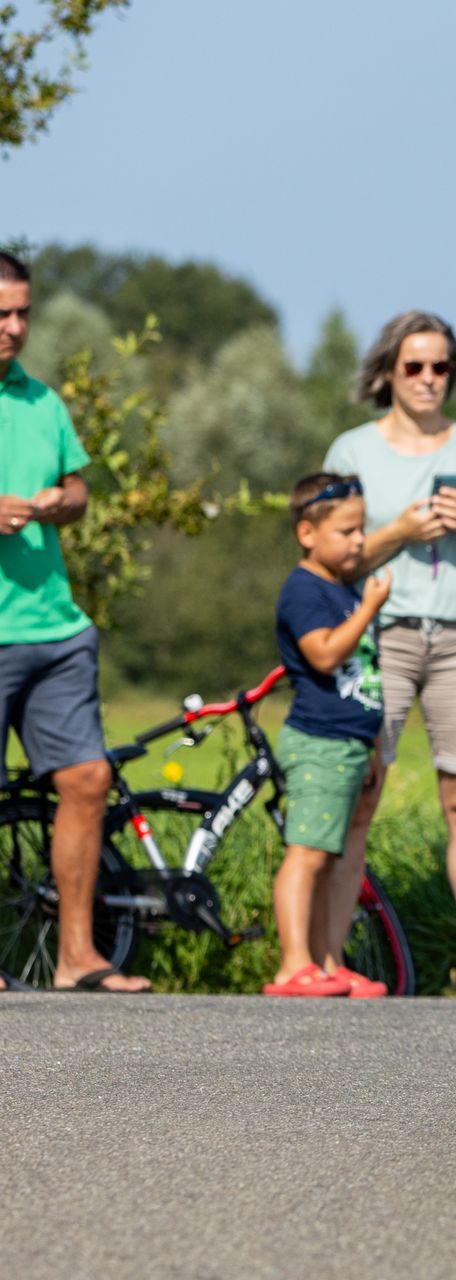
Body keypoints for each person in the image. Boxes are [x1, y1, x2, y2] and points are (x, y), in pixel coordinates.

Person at [318, 311, 456, 999]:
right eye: (414, 367)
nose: (429, 380)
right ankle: (327, 964)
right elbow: (333, 558)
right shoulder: (351, 452)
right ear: (388, 373)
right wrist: (399, 531)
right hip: (383, 635)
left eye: (441, 367)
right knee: (359, 796)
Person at [0, 249, 150, 994]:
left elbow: (80, 487)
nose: (15, 327)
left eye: (23, 312)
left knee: (87, 780)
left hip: (52, 626)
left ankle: (78, 957)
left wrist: (64, 500)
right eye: (2, 314)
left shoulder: (41, 401)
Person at [265, 472, 392, 998]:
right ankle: (293, 964)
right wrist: (368, 610)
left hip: (349, 743)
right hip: (318, 741)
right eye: (346, 531)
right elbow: (323, 654)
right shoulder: (304, 590)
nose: (359, 541)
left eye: (362, 530)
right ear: (307, 533)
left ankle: (326, 962)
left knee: (335, 855)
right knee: (308, 853)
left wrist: (373, 747)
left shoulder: (342, 588)